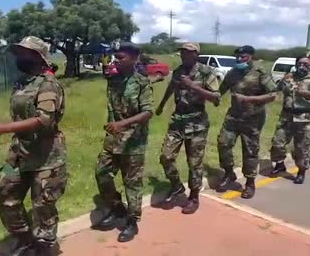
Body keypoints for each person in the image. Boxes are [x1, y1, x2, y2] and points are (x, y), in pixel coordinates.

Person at [0, 36, 67, 256]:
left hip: (46, 154)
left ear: (38, 57)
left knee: (43, 205)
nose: (19, 57)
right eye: (18, 52)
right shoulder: (23, 82)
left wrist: (5, 128)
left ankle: (45, 246)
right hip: (20, 152)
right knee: (5, 195)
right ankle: (25, 238)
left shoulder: (48, 84)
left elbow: (44, 119)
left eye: (24, 53)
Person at [92, 42, 154, 242]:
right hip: (113, 139)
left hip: (133, 142)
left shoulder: (142, 82)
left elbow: (147, 112)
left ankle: (132, 221)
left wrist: (123, 123)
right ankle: (117, 207)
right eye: (115, 57)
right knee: (102, 173)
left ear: (135, 59)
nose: (116, 61)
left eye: (121, 58)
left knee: (132, 183)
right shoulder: (113, 79)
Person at [156, 42, 220, 214]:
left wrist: (193, 85)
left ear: (196, 54)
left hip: (197, 122)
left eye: (188, 53)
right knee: (166, 157)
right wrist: (161, 105)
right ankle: (176, 186)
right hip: (178, 120)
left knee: (194, 163)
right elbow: (171, 87)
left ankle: (194, 197)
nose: (184, 55)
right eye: (182, 52)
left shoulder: (207, 72)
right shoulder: (178, 71)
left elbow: (216, 99)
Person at [217, 45, 277, 199]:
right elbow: (220, 90)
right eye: (238, 56)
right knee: (223, 143)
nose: (239, 59)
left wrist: (248, 99)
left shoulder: (260, 72)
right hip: (233, 116)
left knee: (250, 150)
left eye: (243, 56)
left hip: (253, 118)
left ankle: (250, 183)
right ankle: (229, 173)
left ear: (251, 57)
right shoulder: (233, 73)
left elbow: (272, 95)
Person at [270, 55, 310, 184]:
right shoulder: (288, 77)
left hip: (305, 118)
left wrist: (308, 94)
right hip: (286, 117)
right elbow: (274, 89)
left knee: (301, 148)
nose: (302, 66)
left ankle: (301, 171)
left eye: (306, 64)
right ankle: (279, 165)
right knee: (277, 143)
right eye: (300, 63)